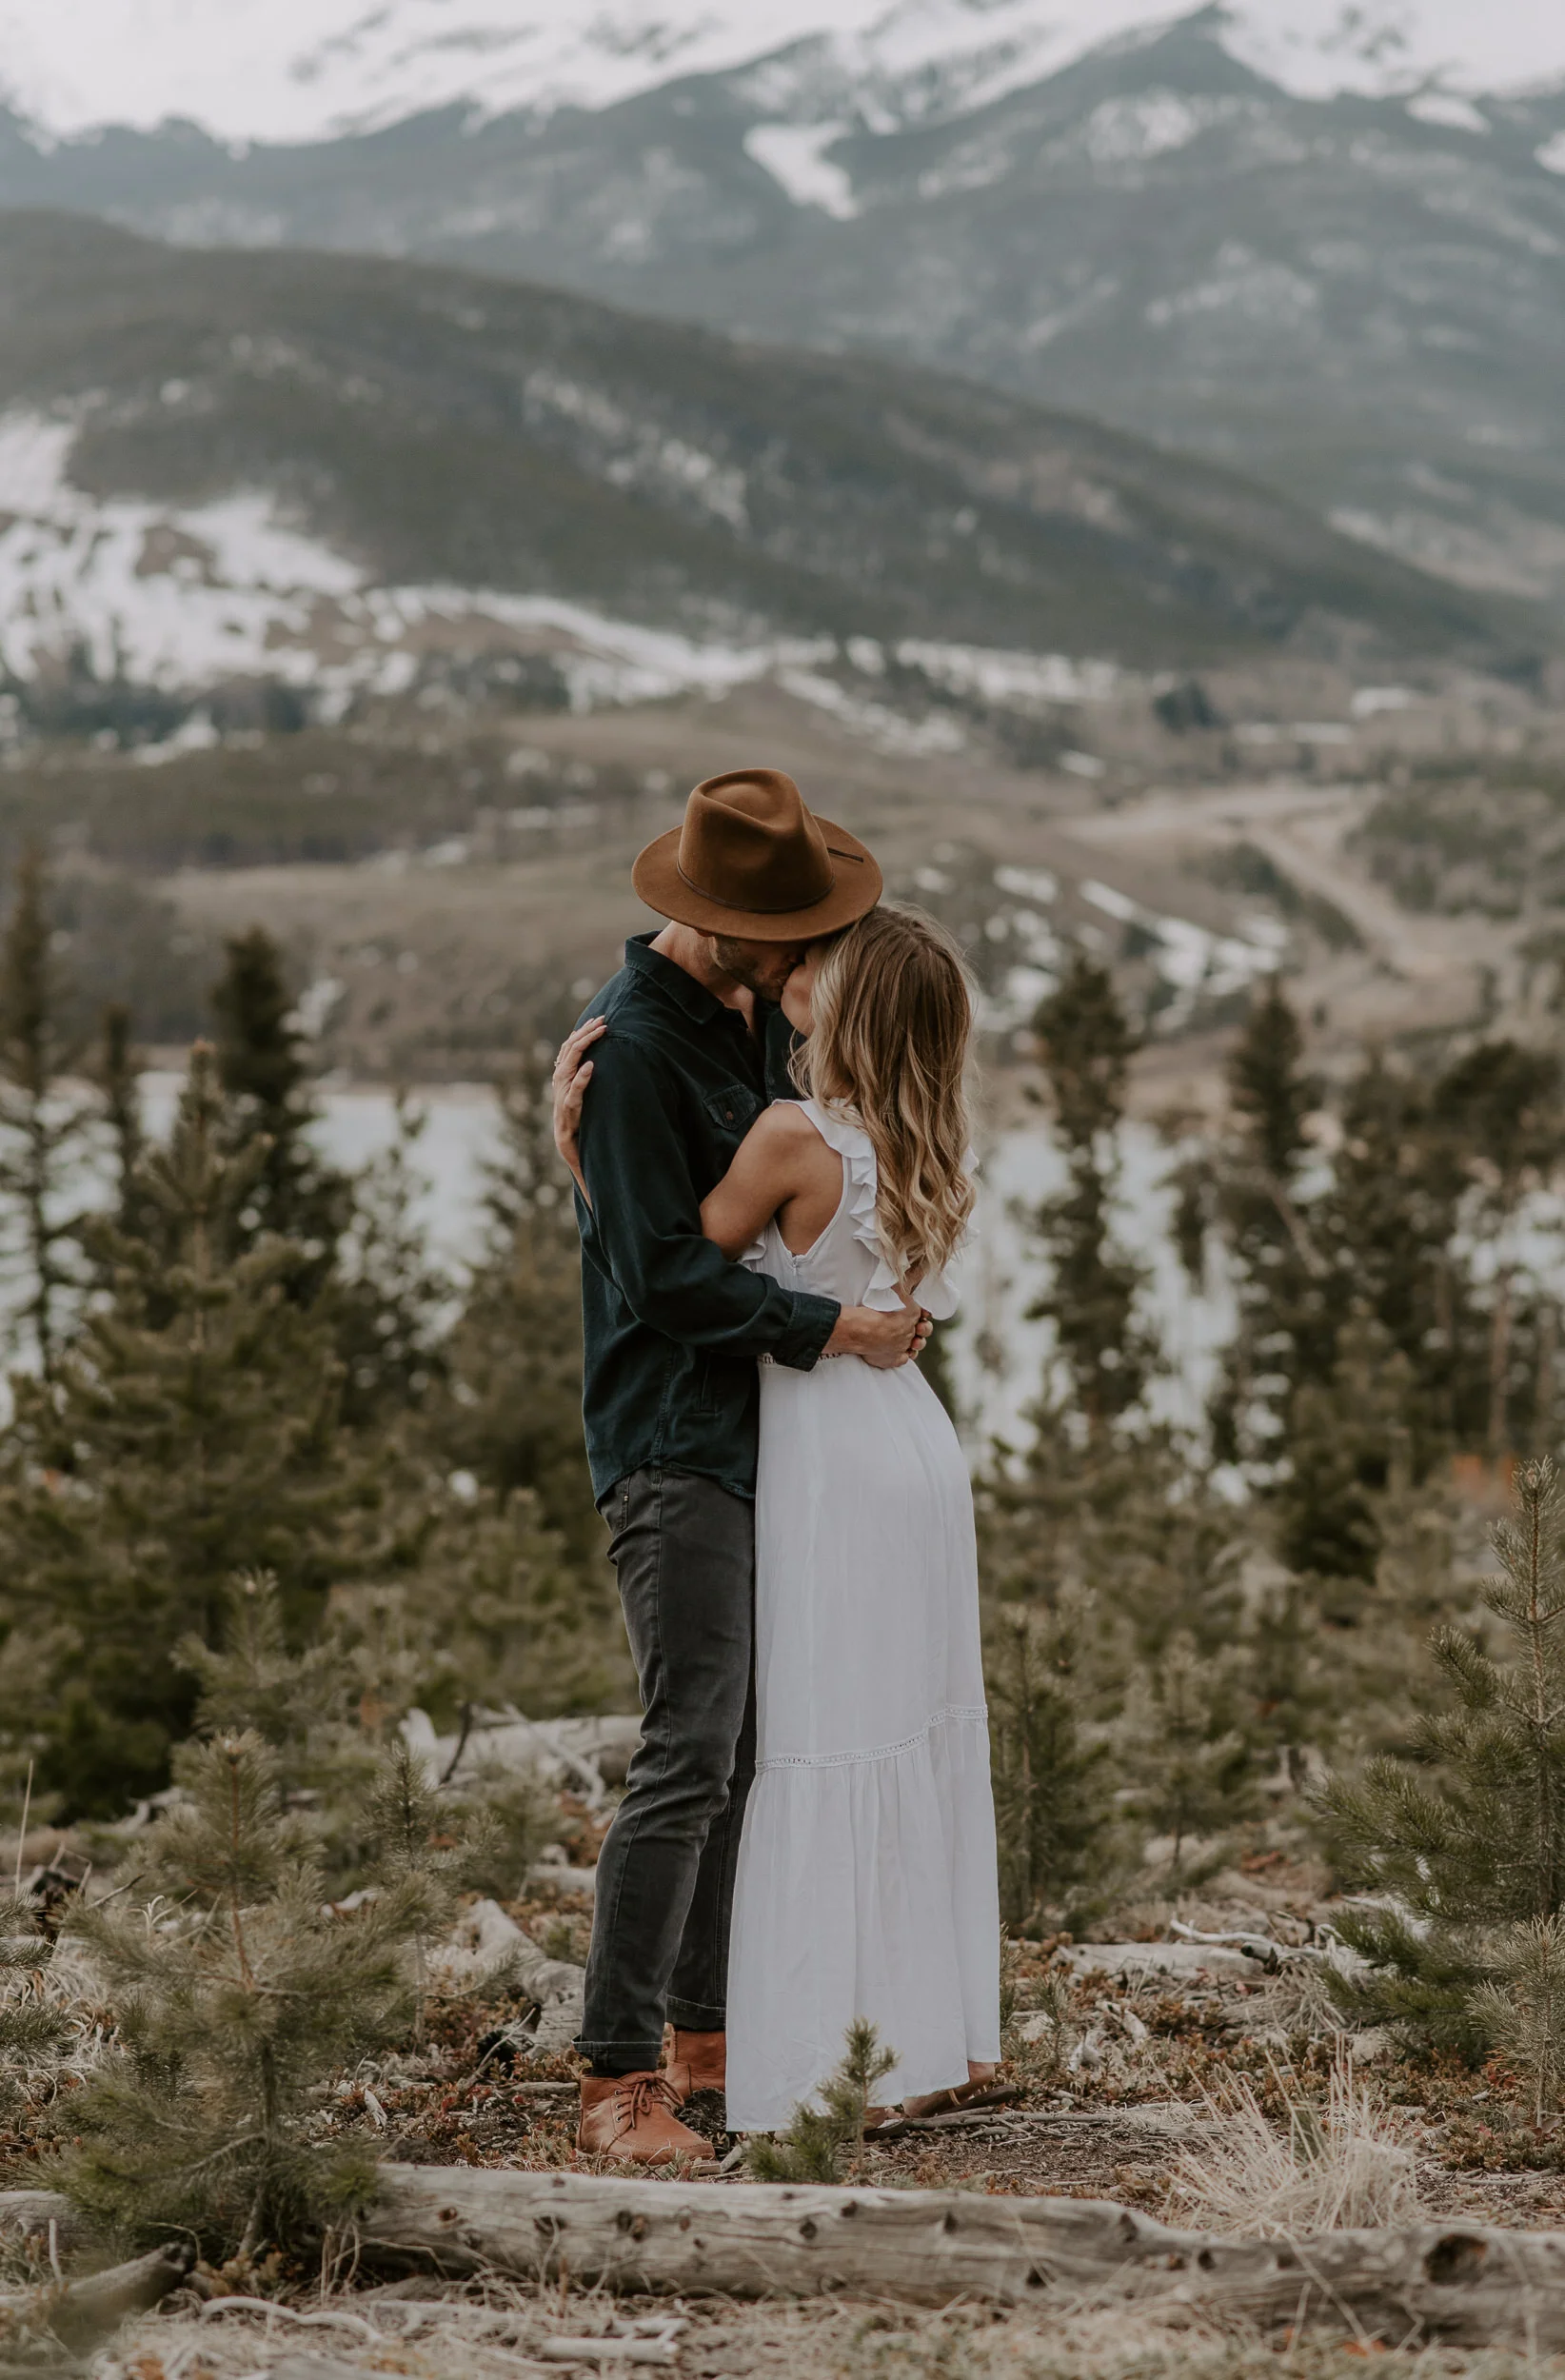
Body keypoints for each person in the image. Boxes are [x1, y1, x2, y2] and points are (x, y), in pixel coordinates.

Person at [555, 902, 1000, 2136]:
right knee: (694, 1745)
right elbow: (665, 1273)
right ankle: (617, 2074)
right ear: (724, 924)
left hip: (795, 1449)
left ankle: (714, 2043)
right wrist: (591, 1175)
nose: (805, 962)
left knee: (755, 1751)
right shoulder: (631, 1050)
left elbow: (774, 1215)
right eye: (793, 941)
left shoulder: (757, 1030)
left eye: (818, 953)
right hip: (678, 1441)